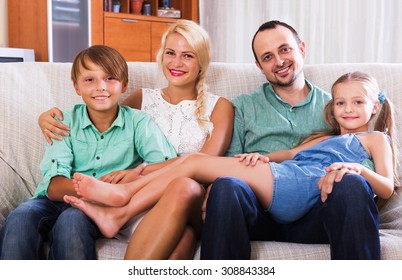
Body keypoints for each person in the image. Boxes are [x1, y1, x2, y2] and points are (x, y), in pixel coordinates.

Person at [64, 71, 396, 261]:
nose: (348, 109)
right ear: (332, 106)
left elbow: (387, 183)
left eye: (357, 102)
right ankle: (123, 200)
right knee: (199, 166)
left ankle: (121, 203)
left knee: (196, 162)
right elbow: (289, 155)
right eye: (340, 102)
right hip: (285, 180)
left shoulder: (375, 139)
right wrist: (261, 158)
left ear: (375, 106)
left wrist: (359, 170)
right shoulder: (322, 139)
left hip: (300, 190)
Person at [37, 20, 234, 259]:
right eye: (170, 53)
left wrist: (135, 174)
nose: (177, 62)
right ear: (161, 56)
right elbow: (107, 123)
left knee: (183, 186)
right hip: (147, 200)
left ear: (201, 61)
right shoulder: (142, 99)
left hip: (192, 197)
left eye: (188, 55)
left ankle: (118, 215)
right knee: (184, 239)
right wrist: (46, 117)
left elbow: (205, 163)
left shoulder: (219, 106)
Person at [201, 20, 388, 260]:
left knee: (351, 183)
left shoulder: (335, 107)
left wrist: (355, 172)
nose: (279, 61)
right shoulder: (243, 106)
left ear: (301, 49)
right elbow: (231, 165)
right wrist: (213, 188)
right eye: (267, 57)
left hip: (318, 211)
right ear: (259, 66)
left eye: (285, 49)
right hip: (260, 211)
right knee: (226, 186)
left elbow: (372, 167)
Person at [0, 45, 178, 260]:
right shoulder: (63, 122)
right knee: (20, 217)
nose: (100, 87)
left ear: (124, 85)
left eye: (110, 78)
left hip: (100, 206)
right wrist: (95, 188)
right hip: (55, 200)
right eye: (89, 80)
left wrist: (125, 179)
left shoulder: (138, 122)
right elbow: (54, 186)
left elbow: (169, 165)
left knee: (72, 220)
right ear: (76, 87)